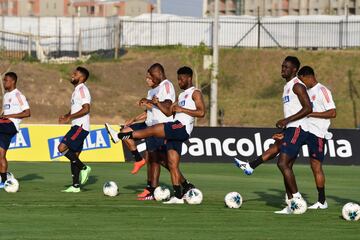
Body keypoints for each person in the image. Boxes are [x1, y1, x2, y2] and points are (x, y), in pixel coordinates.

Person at [235, 66, 336, 210]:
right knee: (283, 155)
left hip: (317, 133)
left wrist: (310, 114)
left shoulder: (322, 90)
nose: (300, 82)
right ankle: (254, 167)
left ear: (308, 77)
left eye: (301, 79)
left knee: (315, 166)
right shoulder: (303, 90)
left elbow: (332, 113)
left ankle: (321, 201)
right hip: (304, 129)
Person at [105, 66, 205, 204]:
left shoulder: (195, 92)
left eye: (181, 79)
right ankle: (179, 195)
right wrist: (152, 104)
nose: (179, 82)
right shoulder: (181, 95)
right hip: (173, 126)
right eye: (178, 79)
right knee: (171, 163)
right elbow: (169, 112)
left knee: (154, 137)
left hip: (179, 128)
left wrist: (180, 108)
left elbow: (201, 113)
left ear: (189, 78)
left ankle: (119, 137)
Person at [58, 67, 92, 193]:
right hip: (78, 126)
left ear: (82, 78)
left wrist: (70, 117)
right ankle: (76, 186)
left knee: (62, 148)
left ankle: (84, 168)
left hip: (80, 127)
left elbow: (86, 108)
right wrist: (67, 115)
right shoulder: (76, 90)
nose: (72, 75)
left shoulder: (82, 89)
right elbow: (76, 108)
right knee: (74, 156)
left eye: (75, 74)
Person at [0, 72, 30, 188]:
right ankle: (3, 181)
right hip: (4, 127)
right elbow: (6, 112)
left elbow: (27, 113)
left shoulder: (18, 95)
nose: (4, 82)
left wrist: (8, 116)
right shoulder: (7, 95)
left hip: (11, 125)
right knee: (1, 155)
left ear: (12, 81)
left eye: (5, 80)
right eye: (3, 80)